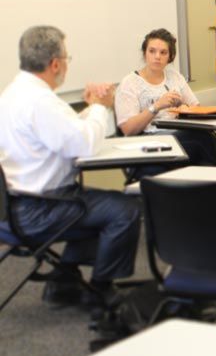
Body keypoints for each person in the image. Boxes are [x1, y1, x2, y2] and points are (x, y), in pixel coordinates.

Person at [0, 26, 141, 306]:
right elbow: (84, 144)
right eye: (67, 58)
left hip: (13, 209)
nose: (66, 64)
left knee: (94, 204)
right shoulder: (40, 102)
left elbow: (64, 133)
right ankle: (101, 290)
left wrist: (92, 107)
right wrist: (101, 106)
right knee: (125, 210)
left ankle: (63, 282)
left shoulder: (14, 94)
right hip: (40, 211)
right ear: (55, 64)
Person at [114, 29, 216, 169]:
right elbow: (128, 129)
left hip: (179, 134)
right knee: (202, 138)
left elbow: (197, 109)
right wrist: (156, 106)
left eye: (163, 52)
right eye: (152, 51)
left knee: (206, 139)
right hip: (150, 139)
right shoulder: (129, 83)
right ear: (144, 53)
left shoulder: (175, 77)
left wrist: (184, 108)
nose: (157, 56)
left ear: (170, 57)